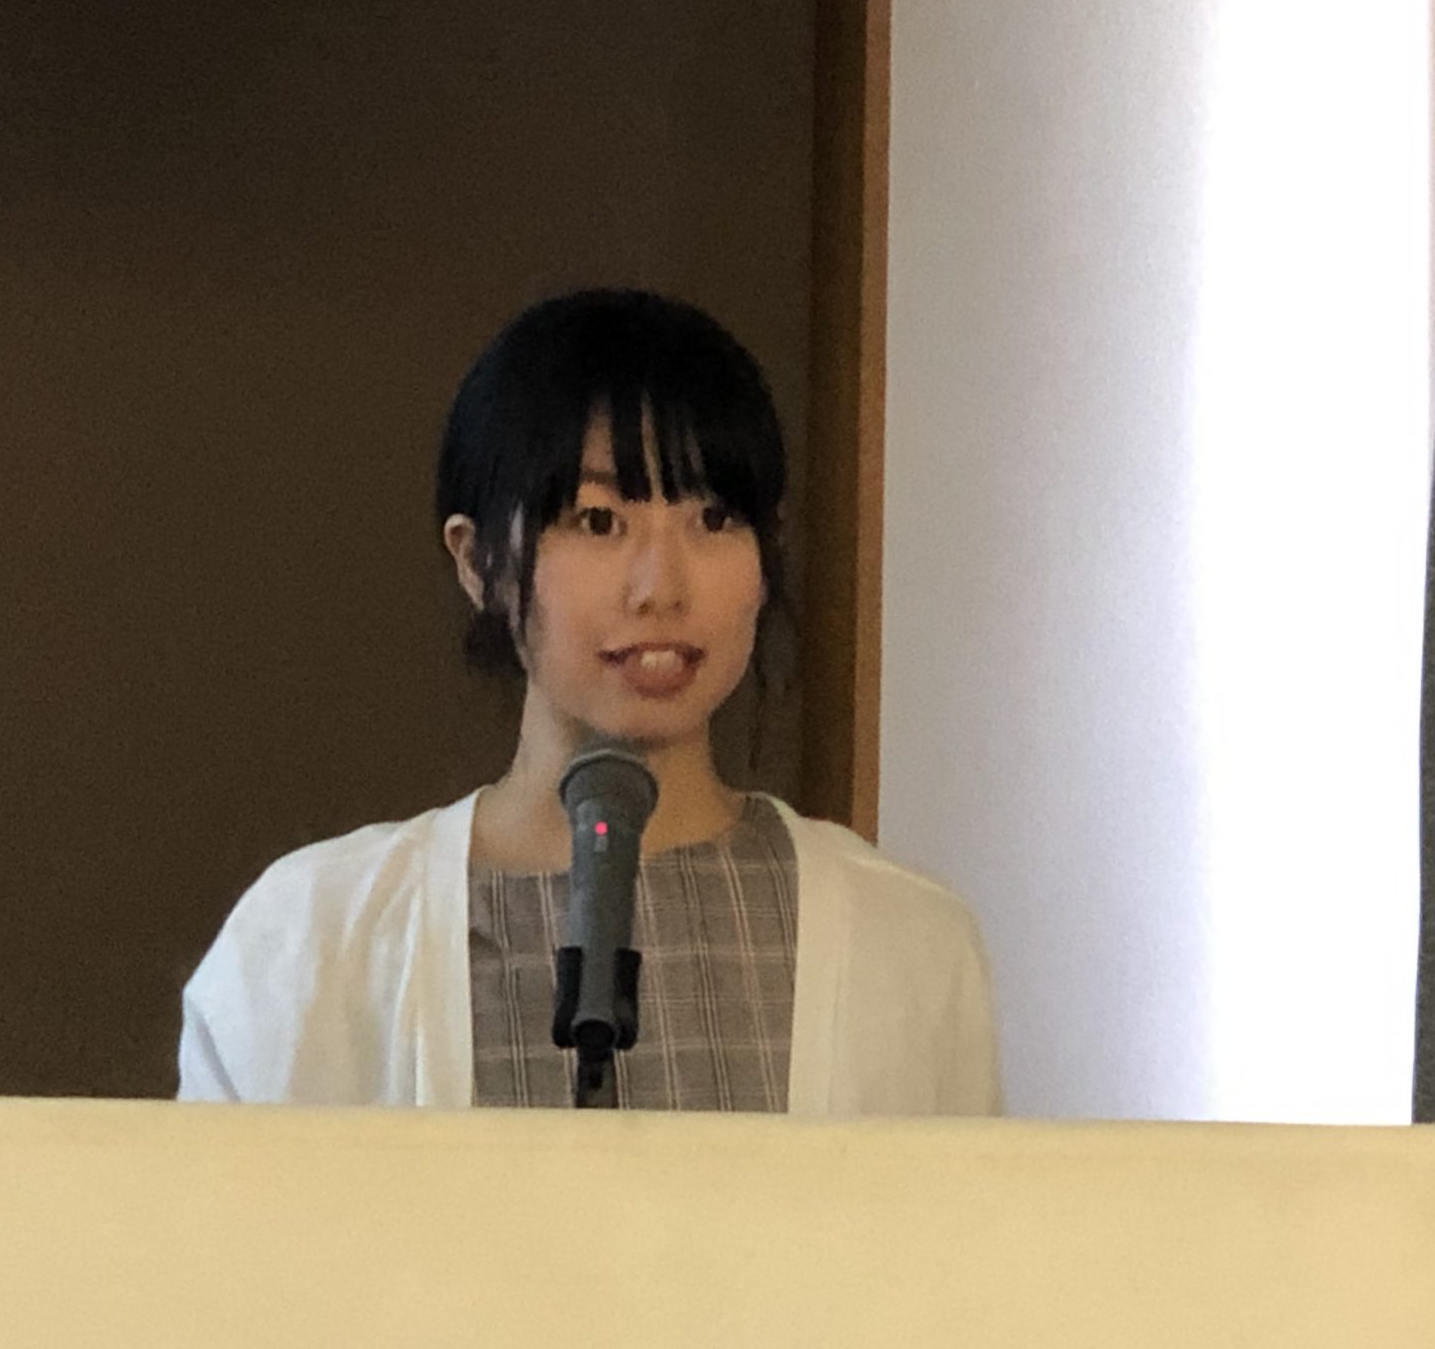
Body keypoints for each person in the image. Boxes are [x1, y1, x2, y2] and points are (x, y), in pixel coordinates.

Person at [178, 290, 1000, 1115]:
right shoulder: (310, 940)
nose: (661, 587)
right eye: (599, 520)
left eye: (713, 518)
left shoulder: (906, 937)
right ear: (478, 561)